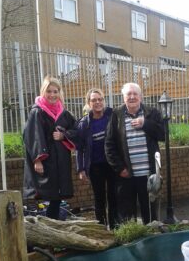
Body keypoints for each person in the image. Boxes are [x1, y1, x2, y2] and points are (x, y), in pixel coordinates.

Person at [105, 82, 164, 224]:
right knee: (126, 214)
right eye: (128, 94)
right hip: (127, 175)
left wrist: (145, 124)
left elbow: (163, 134)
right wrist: (120, 168)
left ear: (141, 97)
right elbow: (109, 145)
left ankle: (151, 239)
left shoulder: (151, 113)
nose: (132, 97)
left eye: (135, 94)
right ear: (123, 97)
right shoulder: (116, 115)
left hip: (148, 174)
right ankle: (131, 242)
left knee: (149, 213)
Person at [23, 75, 77, 220]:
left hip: (60, 161)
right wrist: (37, 159)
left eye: (56, 91)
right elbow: (32, 136)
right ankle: (46, 225)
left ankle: (52, 224)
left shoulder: (64, 114)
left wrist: (63, 135)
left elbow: (76, 131)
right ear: (43, 92)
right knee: (45, 194)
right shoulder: (37, 112)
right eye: (49, 91)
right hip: (46, 160)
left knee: (57, 197)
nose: (52, 95)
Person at [76, 88, 118, 229]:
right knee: (99, 198)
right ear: (89, 103)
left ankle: (114, 227)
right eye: (94, 100)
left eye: (100, 99)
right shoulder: (84, 124)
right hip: (95, 166)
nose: (98, 102)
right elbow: (79, 148)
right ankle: (101, 228)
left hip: (112, 164)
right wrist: (81, 169)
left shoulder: (112, 116)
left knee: (113, 197)